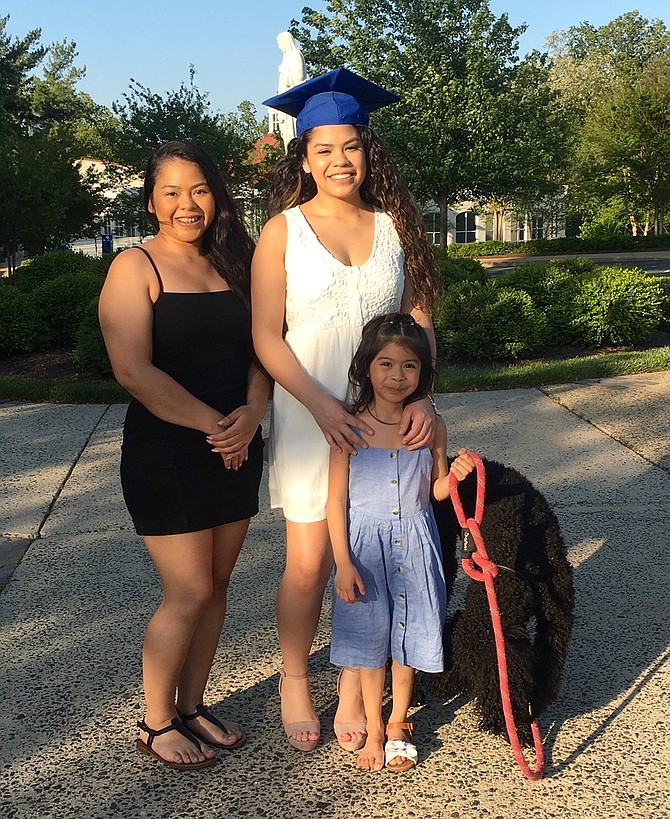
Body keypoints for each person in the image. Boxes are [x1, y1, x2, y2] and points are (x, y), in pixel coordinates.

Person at [249, 68, 442, 752]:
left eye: (351, 146)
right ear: (303, 157)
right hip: (312, 415)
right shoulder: (283, 231)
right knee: (311, 560)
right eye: (323, 148)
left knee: (379, 551)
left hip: (388, 417)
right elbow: (265, 337)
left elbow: (418, 317)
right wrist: (325, 407)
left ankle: (360, 686)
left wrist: (420, 392)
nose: (339, 160)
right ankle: (295, 679)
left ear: (368, 151)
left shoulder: (394, 227)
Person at [98, 140, 270, 769]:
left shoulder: (237, 264)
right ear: (151, 202)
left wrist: (250, 417)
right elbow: (133, 370)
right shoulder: (134, 267)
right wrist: (215, 427)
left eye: (198, 189)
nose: (187, 204)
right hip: (169, 450)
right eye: (171, 192)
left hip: (238, 442)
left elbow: (264, 349)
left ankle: (194, 706)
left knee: (219, 585)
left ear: (216, 195)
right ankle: (156, 720)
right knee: (189, 588)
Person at [328, 313, 476, 771]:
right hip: (365, 551)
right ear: (366, 368)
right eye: (386, 364)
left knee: (408, 636)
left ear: (422, 373)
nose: (397, 376)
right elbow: (335, 502)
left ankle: (397, 723)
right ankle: (372, 729)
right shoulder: (349, 426)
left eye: (409, 366)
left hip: (415, 543)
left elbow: (434, 492)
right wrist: (344, 563)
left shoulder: (431, 427)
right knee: (371, 642)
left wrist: (453, 476)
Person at [274, 31, 306, 151]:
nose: (279, 46)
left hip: (291, 98)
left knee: (292, 131)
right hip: (284, 97)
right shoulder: (286, 57)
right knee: (286, 133)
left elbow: (299, 77)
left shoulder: (295, 55)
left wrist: (284, 72)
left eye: (279, 43)